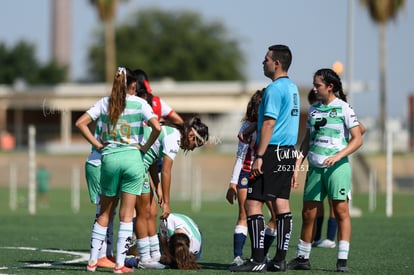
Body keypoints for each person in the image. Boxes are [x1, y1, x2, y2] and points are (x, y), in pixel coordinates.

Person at [76, 67, 161, 273]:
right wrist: (145, 147)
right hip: (133, 159)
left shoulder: (105, 103)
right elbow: (157, 127)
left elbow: (80, 123)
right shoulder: (140, 103)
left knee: (104, 213)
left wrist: (97, 145)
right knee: (126, 215)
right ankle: (120, 265)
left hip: (109, 159)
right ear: (132, 85)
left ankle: (92, 262)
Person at [229, 44, 300, 272]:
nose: (263, 62)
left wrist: (259, 155)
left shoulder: (273, 89)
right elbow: (277, 120)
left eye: (266, 59)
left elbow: (270, 123)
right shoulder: (293, 88)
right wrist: (252, 128)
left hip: (270, 152)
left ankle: (258, 259)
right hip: (288, 151)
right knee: (281, 203)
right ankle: (279, 260)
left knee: (252, 203)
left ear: (277, 63)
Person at [288, 68, 363, 272]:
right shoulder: (313, 110)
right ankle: (302, 257)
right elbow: (306, 142)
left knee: (340, 212)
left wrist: (338, 156)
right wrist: (297, 166)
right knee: (307, 214)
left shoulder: (344, 108)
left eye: (317, 85)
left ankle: (342, 260)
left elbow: (358, 138)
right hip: (315, 169)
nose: (314, 88)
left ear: (330, 87)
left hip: (338, 169)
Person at [125, 116, 209, 269]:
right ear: (191, 136)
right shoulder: (174, 138)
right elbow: (165, 171)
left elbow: (151, 161)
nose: (191, 149)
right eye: (194, 145)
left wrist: (157, 187)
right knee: (145, 212)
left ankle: (153, 255)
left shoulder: (171, 132)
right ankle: (144, 259)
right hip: (134, 166)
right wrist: (167, 204)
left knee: (151, 211)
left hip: (137, 164)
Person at [129, 68, 185, 269]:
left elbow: (177, 121)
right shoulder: (146, 104)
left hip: (143, 159)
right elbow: (166, 169)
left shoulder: (147, 103)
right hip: (136, 160)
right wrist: (167, 202)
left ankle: (150, 254)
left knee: (147, 211)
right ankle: (137, 256)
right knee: (138, 212)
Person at [308, 89, 366, 249]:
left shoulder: (342, 108)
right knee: (316, 204)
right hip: (319, 162)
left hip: (338, 164)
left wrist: (341, 144)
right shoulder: (316, 111)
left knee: (336, 204)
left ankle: (330, 238)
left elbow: (361, 130)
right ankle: (317, 237)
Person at [225, 88, 276, 266]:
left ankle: (263, 255)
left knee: (276, 215)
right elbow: (240, 156)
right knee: (244, 214)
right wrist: (232, 183)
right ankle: (237, 257)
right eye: (259, 104)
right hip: (247, 174)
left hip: (267, 173)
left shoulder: (273, 124)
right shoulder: (247, 126)